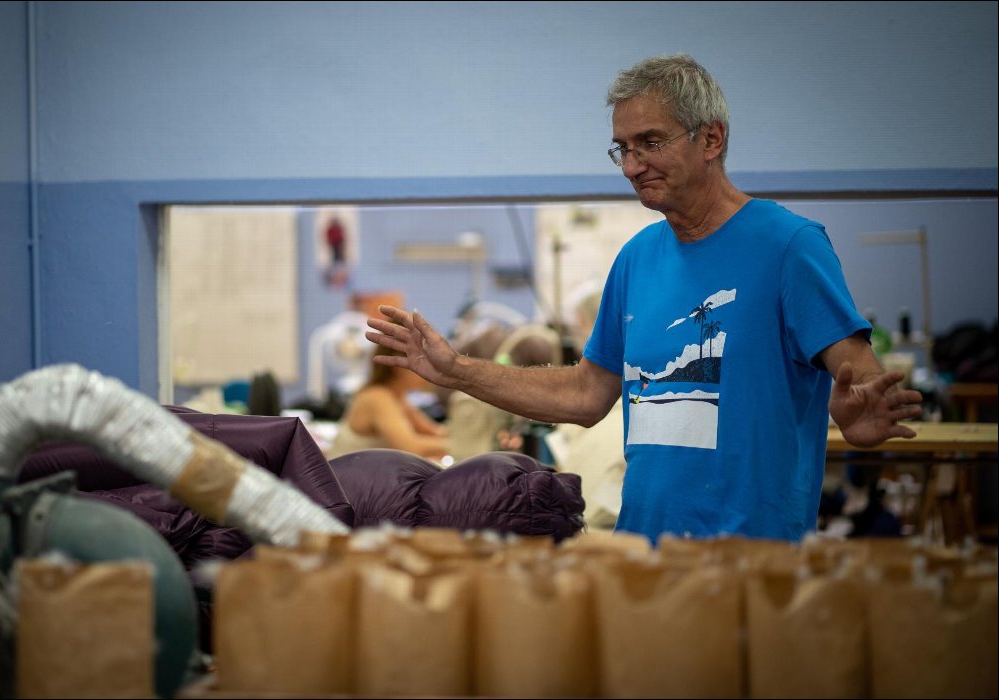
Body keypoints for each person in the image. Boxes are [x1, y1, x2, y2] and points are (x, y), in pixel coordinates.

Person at [365, 54, 924, 544]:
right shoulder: (636, 259)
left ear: (711, 139)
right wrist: (455, 370)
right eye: (623, 150)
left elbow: (859, 379)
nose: (632, 167)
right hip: (643, 557)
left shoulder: (790, 247)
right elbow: (586, 394)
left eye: (650, 143)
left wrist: (857, 414)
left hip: (753, 563)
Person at [326, 323, 449, 463]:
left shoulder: (398, 398)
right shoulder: (377, 398)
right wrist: (461, 444)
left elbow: (434, 432)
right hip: (344, 481)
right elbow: (412, 446)